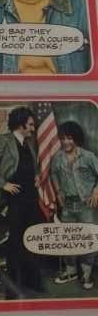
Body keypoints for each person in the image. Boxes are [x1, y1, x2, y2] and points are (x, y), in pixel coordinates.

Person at [0, 107, 45, 296]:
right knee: (16, 242)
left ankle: (33, 283)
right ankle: (14, 288)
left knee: (32, 239)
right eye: (30, 125)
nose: (33, 128)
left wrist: (36, 176)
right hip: (14, 200)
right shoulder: (4, 141)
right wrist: (3, 184)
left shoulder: (29, 142)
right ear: (20, 124)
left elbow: (32, 165)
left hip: (31, 198)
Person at [49, 121, 98, 290]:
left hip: (86, 205)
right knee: (67, 238)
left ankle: (86, 272)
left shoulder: (88, 156)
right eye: (63, 138)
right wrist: (58, 191)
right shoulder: (57, 157)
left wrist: (96, 190)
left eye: (69, 138)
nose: (65, 142)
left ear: (76, 138)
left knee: (88, 238)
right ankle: (71, 271)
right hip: (67, 206)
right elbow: (53, 174)